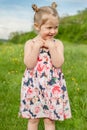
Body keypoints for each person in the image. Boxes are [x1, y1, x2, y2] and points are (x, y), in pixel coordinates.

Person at [19, 2, 72, 130]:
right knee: (33, 119)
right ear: (37, 26)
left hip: (52, 87)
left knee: (50, 120)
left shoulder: (58, 44)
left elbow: (58, 63)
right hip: (33, 87)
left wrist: (52, 48)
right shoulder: (30, 43)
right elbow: (29, 64)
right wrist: (37, 47)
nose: (53, 31)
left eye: (56, 27)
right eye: (49, 28)